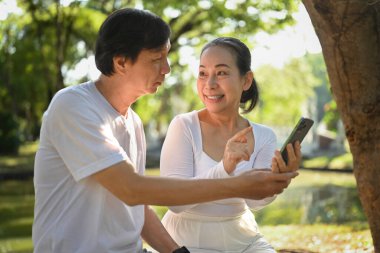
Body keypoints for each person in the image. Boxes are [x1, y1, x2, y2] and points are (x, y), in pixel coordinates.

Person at [32, 8, 300, 253]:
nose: (168, 68)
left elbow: (137, 206)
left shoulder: (132, 122)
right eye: (157, 58)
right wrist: (235, 183)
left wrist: (176, 252)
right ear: (121, 62)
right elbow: (132, 189)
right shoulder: (74, 106)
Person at [160, 37, 301, 253]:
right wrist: (224, 168)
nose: (210, 84)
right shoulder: (184, 126)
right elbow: (175, 202)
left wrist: (278, 181)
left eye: (222, 73)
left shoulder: (264, 136)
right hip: (185, 241)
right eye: (203, 73)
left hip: (244, 239)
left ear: (246, 80)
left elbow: (256, 203)